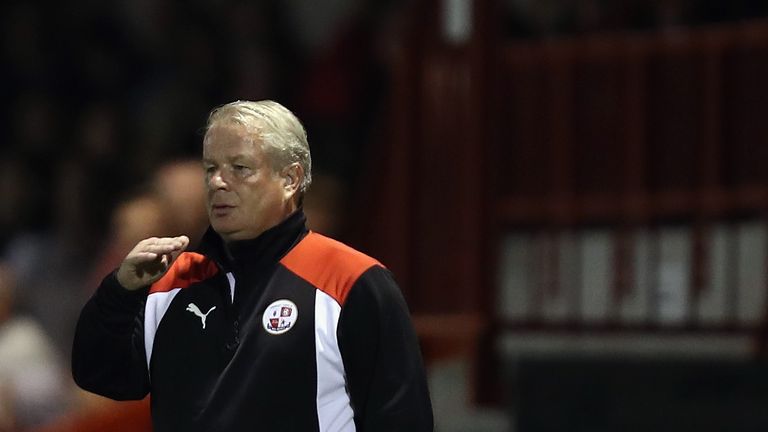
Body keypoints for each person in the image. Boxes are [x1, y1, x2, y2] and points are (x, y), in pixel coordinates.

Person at [71, 100, 433, 431]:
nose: (217, 182)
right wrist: (120, 291)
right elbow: (100, 374)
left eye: (239, 168)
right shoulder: (171, 284)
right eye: (210, 168)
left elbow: (402, 419)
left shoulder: (352, 281)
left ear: (290, 179)